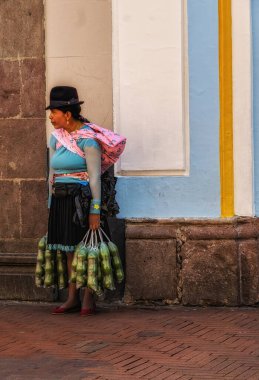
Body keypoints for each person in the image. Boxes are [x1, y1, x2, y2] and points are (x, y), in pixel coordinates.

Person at [46, 86, 111, 316]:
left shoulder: (88, 141)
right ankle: (72, 297)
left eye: (53, 112)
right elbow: (52, 173)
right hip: (61, 200)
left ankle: (88, 298)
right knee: (68, 250)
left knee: (85, 249)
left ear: (67, 114)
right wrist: (50, 202)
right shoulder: (56, 139)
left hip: (80, 201)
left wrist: (95, 210)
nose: (51, 117)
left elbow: (95, 177)